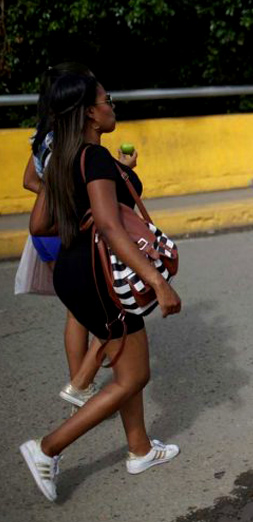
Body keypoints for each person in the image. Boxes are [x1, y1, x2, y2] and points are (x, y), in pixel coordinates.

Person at [21, 73, 182, 502]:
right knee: (135, 376)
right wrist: (157, 283)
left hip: (75, 274)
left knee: (127, 367)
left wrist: (93, 203)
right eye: (105, 99)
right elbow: (111, 226)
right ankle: (47, 449)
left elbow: (40, 223)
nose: (112, 104)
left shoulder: (66, 154)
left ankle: (140, 449)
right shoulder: (92, 156)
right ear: (91, 112)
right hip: (100, 278)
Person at [21, 63, 105, 412]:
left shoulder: (43, 135)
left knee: (77, 312)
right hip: (65, 229)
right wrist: (68, 205)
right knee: (107, 311)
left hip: (46, 232)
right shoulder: (70, 139)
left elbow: (29, 180)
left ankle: (80, 392)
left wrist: (52, 196)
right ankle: (81, 383)